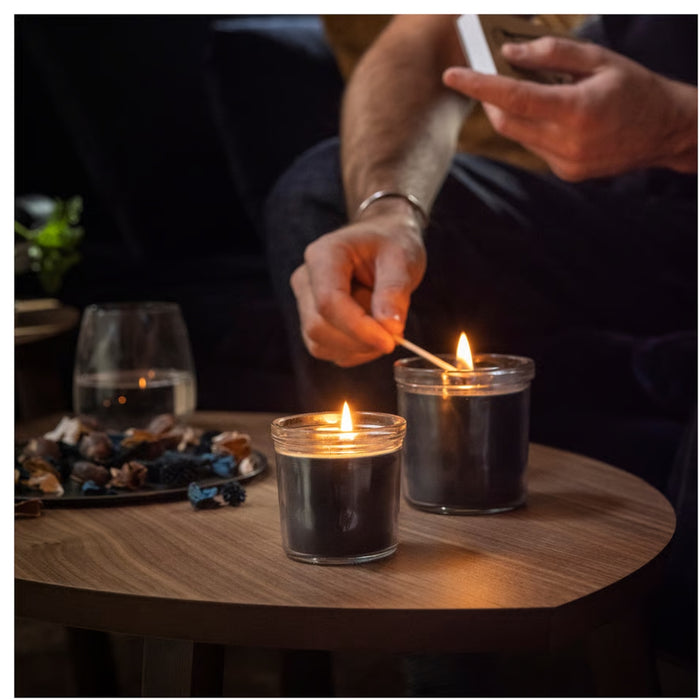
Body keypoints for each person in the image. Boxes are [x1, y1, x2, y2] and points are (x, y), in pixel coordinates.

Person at [265, 14, 696, 444]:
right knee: (328, 189)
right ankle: (368, 499)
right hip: (630, 221)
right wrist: (390, 215)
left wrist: (681, 124)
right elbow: (429, 35)